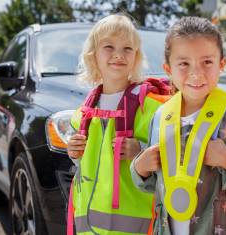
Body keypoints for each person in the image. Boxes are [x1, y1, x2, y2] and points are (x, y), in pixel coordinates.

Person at [131, 16, 226, 235]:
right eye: (183, 63)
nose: (196, 73)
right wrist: (140, 169)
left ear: (222, 64)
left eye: (207, 62)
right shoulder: (161, 117)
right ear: (168, 69)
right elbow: (161, 185)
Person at [66, 14, 169, 235]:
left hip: (136, 225)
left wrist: (139, 152)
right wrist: (74, 152)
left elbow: (170, 161)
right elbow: (84, 162)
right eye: (109, 47)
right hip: (88, 225)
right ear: (93, 55)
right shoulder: (83, 112)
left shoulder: (150, 109)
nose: (119, 55)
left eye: (127, 49)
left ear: (136, 57)